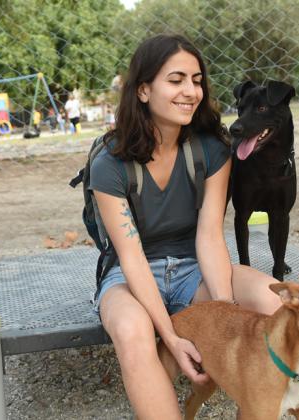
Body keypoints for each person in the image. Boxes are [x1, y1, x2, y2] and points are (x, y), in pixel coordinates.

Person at [89, 34, 281, 419]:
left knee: (271, 301)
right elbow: (131, 256)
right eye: (176, 80)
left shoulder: (212, 148)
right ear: (143, 90)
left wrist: (222, 317)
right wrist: (174, 338)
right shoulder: (109, 164)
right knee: (132, 331)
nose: (191, 91)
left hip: (194, 269)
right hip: (130, 276)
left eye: (196, 80)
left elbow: (209, 235)